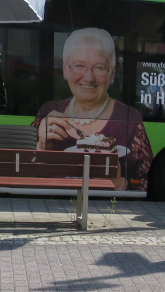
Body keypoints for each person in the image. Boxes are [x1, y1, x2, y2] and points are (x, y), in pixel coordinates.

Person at [32, 27, 152, 191]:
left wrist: (118, 182)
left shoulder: (131, 119)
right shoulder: (48, 113)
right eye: (79, 66)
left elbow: (146, 183)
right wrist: (41, 149)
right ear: (66, 69)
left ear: (112, 74)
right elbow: (23, 174)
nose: (89, 78)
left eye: (99, 67)